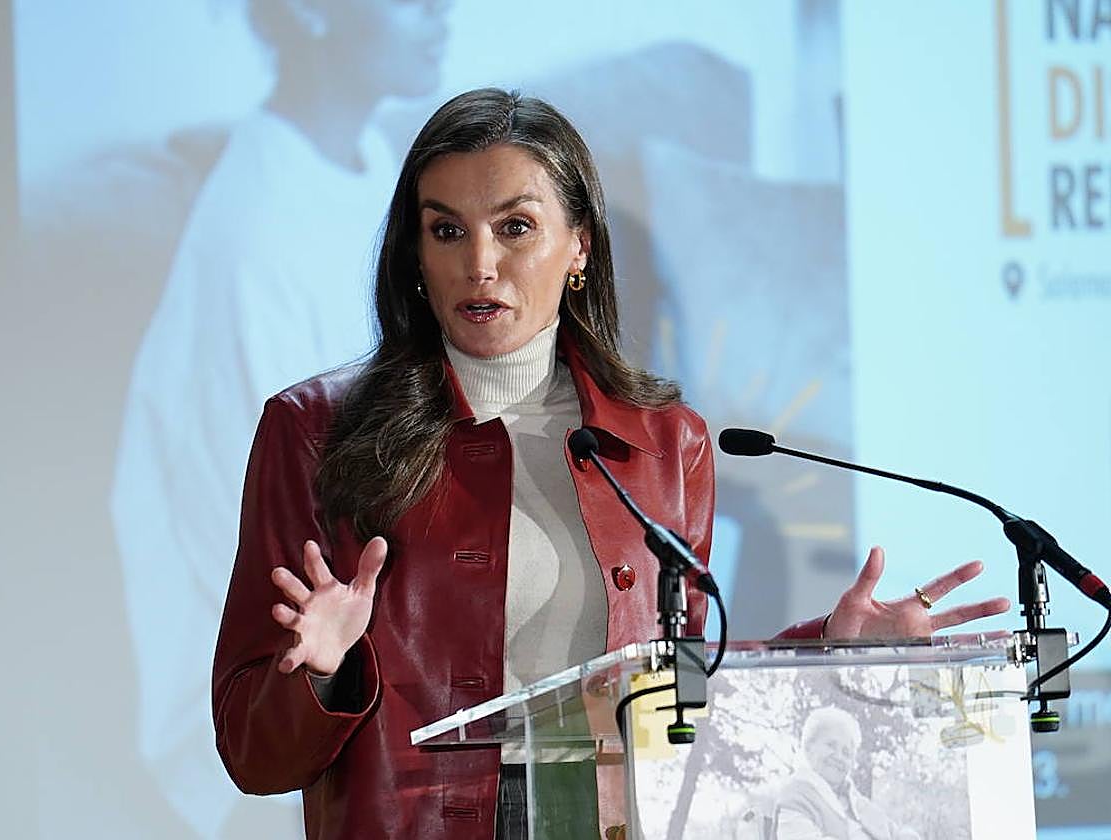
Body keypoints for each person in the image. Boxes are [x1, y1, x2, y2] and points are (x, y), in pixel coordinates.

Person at [211, 88, 1010, 839]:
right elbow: (252, 753)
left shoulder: (665, 442)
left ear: (578, 247)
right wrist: (321, 674)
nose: (479, 262)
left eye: (515, 227)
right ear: (415, 254)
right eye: (446, 230)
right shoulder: (314, 430)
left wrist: (827, 650)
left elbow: (678, 690)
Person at [112, 2, 451, 834]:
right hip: (276, 714)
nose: (443, 14)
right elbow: (272, 540)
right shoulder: (254, 238)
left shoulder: (373, 163)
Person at [774, 708, 921, 840]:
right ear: (808, 747)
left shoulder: (857, 802)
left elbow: (894, 832)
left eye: (846, 753)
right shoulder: (796, 797)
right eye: (831, 745)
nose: (839, 757)